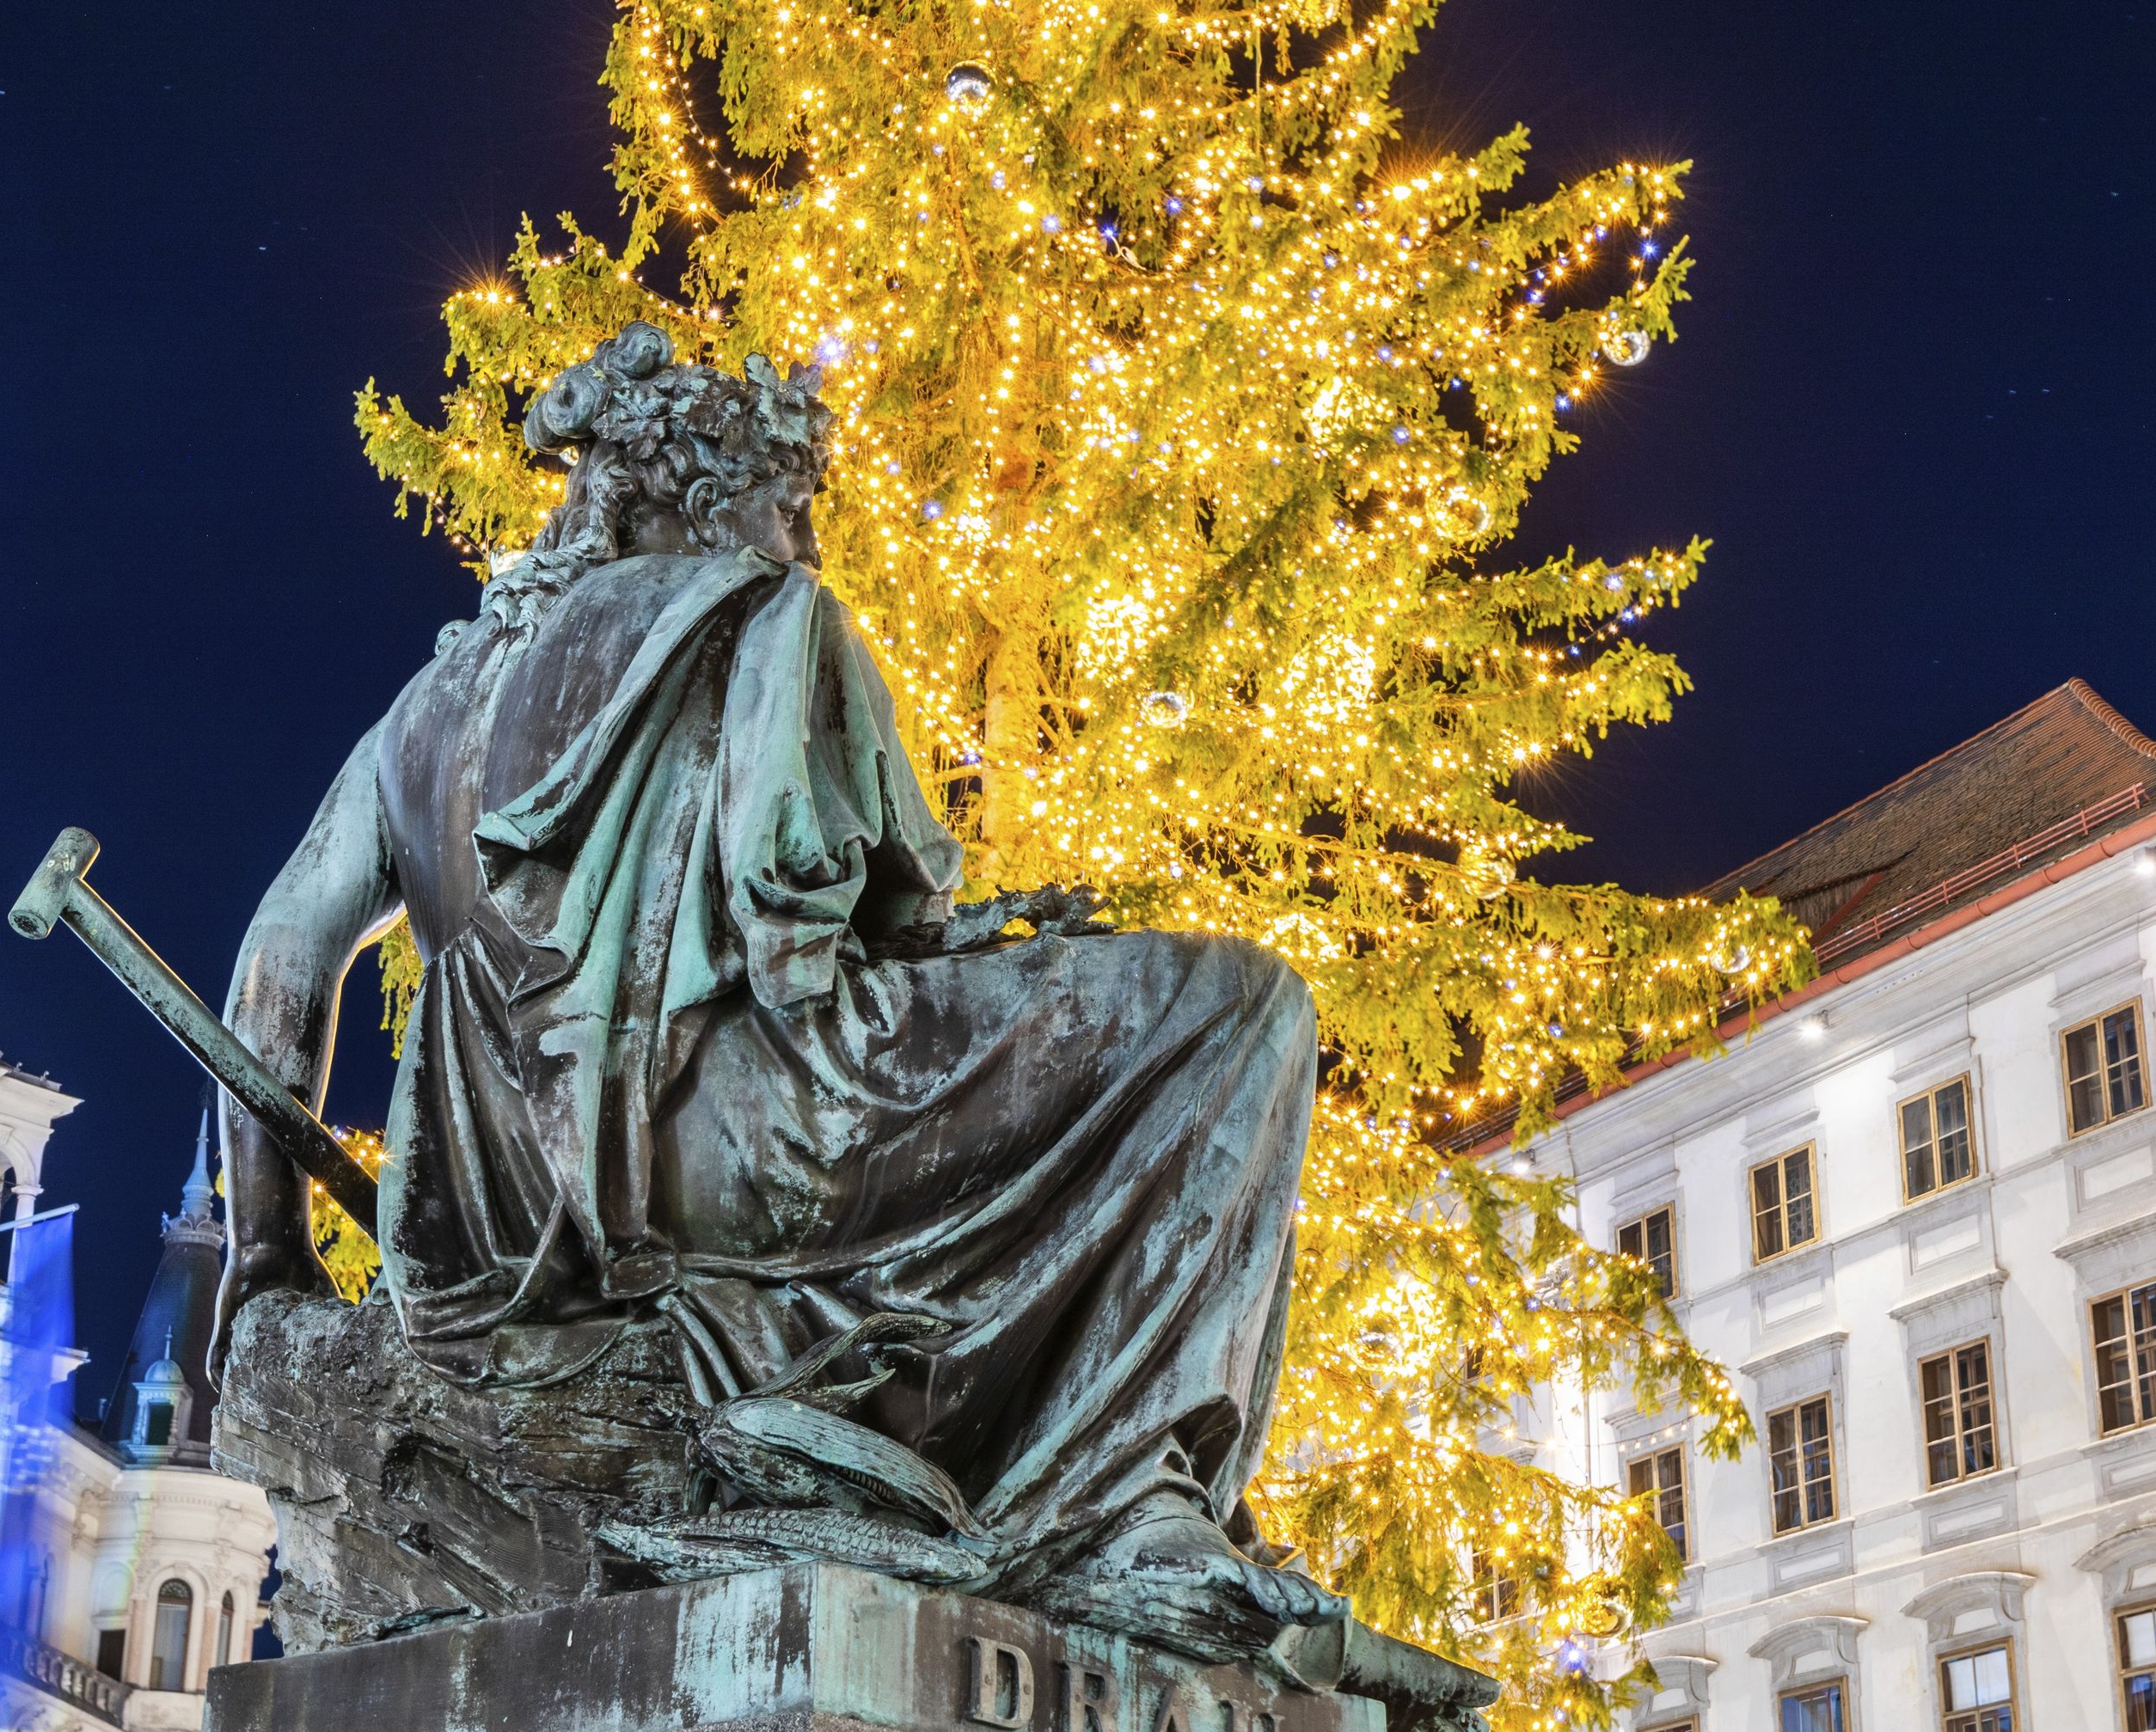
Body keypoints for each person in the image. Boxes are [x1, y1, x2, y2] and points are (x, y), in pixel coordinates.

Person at [218, 326, 1346, 1663]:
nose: (806, 540)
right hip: (752, 1140)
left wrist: (266, 1251)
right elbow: (842, 927)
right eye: (789, 503)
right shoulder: (764, 612)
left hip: (486, 1228)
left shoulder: (424, 710)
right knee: (1241, 1011)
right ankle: (1139, 1499)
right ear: (700, 498)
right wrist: (982, 938)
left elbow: (281, 956)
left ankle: (1102, 1492)